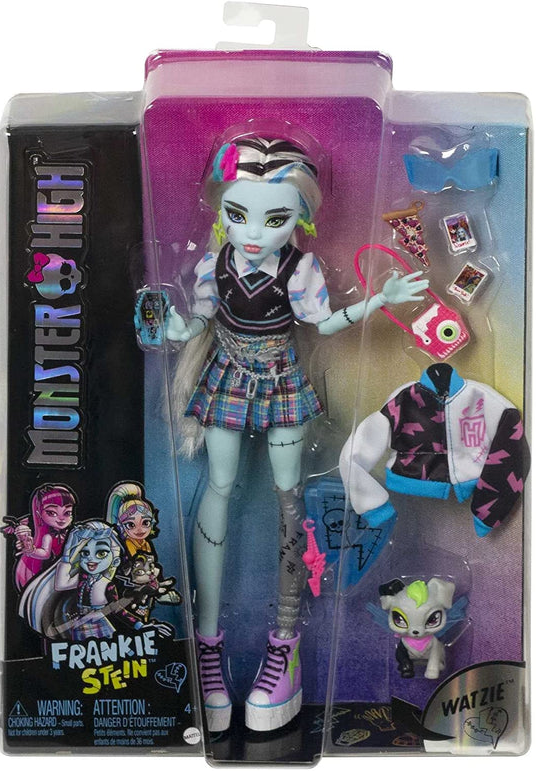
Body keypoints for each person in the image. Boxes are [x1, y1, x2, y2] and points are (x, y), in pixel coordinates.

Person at [166, 134, 428, 732]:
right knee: (219, 486)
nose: (253, 233)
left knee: (289, 497)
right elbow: (202, 317)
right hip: (227, 376)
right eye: (238, 214)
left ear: (300, 218)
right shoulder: (214, 265)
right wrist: (180, 328)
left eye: (275, 219)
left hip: (283, 381)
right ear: (220, 209)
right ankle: (207, 643)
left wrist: (376, 301)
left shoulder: (299, 268)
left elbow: (323, 323)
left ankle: (284, 644)